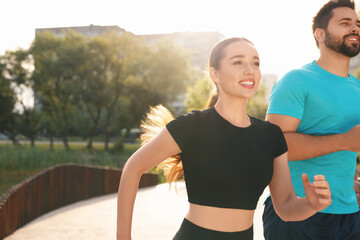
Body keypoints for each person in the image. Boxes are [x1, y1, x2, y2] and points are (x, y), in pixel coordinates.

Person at [116, 37, 332, 240]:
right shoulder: (192, 126)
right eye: (238, 62)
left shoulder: (271, 136)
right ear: (215, 74)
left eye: (255, 63)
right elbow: (132, 168)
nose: (250, 70)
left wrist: (311, 204)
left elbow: (285, 207)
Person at [262, 0, 360, 239]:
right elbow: (271, 147)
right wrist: (344, 141)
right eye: (344, 23)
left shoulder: (358, 88)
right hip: (297, 213)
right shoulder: (296, 80)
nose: (355, 28)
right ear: (320, 33)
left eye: (357, 24)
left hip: (350, 214)